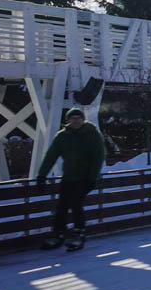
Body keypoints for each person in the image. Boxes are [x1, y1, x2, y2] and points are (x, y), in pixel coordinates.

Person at [36, 107, 106, 251]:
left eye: (78, 118)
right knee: (61, 206)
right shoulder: (62, 136)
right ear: (68, 120)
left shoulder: (92, 134)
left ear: (83, 120)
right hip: (69, 177)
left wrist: (92, 177)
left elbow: (99, 156)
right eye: (73, 119)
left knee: (75, 203)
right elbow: (51, 156)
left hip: (86, 177)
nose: (76, 121)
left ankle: (79, 233)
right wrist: (42, 175)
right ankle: (59, 233)